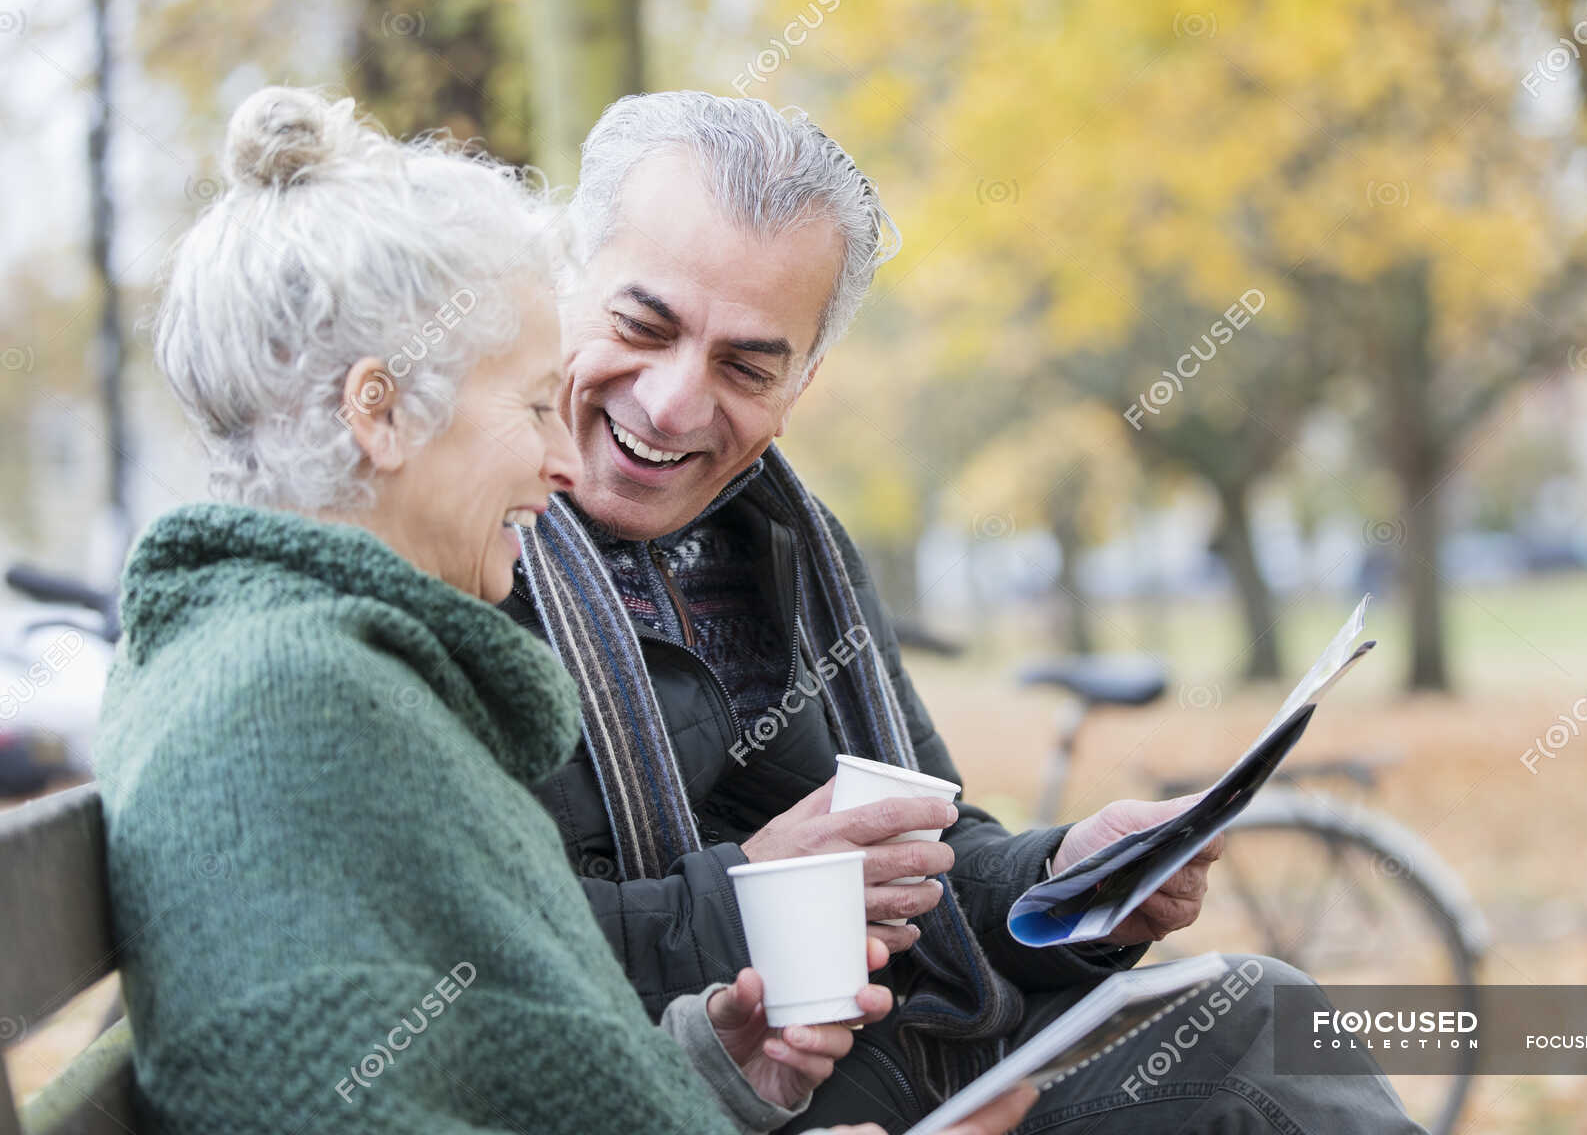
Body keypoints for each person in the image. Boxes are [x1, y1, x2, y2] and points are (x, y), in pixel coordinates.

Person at [96, 84, 1031, 1135]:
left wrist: (715, 1074)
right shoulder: (290, 700)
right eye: (536, 404)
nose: (559, 456)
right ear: (384, 409)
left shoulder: (327, 666)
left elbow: (497, 1050)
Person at [505, 90, 1427, 1132]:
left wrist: (1067, 875)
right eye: (644, 325)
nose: (673, 403)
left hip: (929, 1071)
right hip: (691, 1100)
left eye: (746, 366)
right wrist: (741, 901)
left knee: (1264, 1023)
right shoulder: (458, 549)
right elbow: (446, 958)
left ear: (802, 383)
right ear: (560, 284)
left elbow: (933, 852)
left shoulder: (791, 549)